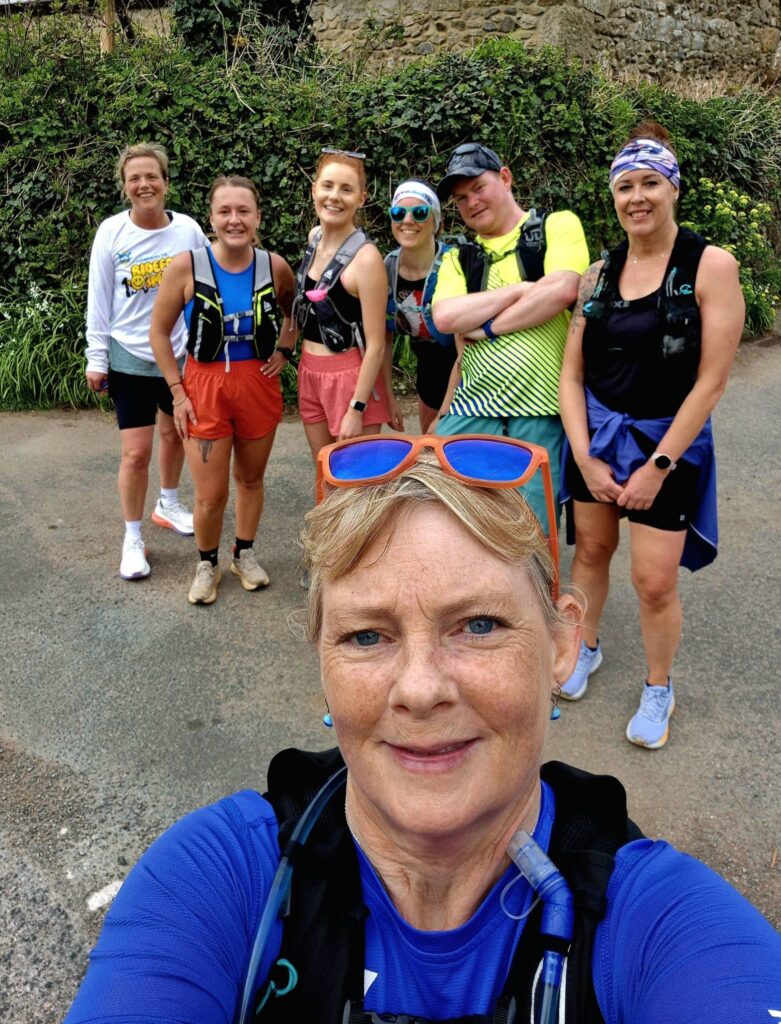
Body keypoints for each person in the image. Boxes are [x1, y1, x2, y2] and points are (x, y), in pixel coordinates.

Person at [63, 435, 780, 1024]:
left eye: (477, 625)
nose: (419, 690)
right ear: (321, 660)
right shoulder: (219, 879)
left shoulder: (661, 929)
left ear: (562, 644)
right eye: (367, 637)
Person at [557, 123, 745, 749]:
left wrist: (658, 465)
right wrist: (583, 456)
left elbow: (712, 381)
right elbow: (573, 371)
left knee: (655, 581)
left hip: (670, 442)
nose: (637, 197)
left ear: (673, 189)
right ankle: (585, 647)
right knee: (589, 551)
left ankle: (659, 685)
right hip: (600, 435)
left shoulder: (710, 266)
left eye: (650, 184)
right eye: (625, 186)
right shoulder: (599, 272)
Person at [150, 175, 296, 605]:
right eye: (225, 211)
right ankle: (206, 563)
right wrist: (177, 391)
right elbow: (158, 333)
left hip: (257, 383)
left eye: (243, 211)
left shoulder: (275, 266)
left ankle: (244, 555)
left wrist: (285, 350)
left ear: (257, 217)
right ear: (211, 217)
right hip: (204, 386)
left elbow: (293, 312)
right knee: (210, 495)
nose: (234, 220)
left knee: (250, 479)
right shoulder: (187, 266)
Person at [431, 142, 590, 533]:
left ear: (505, 177)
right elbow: (446, 316)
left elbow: (563, 290)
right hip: (468, 413)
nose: (471, 203)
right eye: (461, 198)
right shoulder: (457, 256)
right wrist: (519, 291)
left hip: (539, 413)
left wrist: (486, 326)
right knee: (453, 531)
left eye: (478, 188)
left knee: (531, 539)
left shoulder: (556, 226)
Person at [85, 142, 208, 581]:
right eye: (134, 178)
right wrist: (96, 357)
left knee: (174, 434)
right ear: (125, 187)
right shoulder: (111, 233)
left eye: (151, 176)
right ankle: (132, 537)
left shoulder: (189, 230)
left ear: (166, 182)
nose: (144, 184)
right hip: (129, 355)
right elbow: (98, 299)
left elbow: (205, 287)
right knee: (135, 454)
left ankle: (169, 503)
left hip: (179, 353)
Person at [294, 147, 392, 466]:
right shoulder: (315, 239)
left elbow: (377, 345)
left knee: (357, 483)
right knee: (325, 473)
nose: (334, 197)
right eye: (328, 186)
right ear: (314, 190)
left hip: (350, 378)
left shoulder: (366, 259)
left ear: (361, 198)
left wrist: (357, 408)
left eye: (346, 189)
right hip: (309, 372)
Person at [384, 179, 458, 433]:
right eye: (398, 212)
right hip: (427, 370)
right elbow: (384, 337)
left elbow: (467, 347)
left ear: (435, 221)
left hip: (465, 375)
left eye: (419, 212)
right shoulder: (388, 267)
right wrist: (389, 397)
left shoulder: (454, 263)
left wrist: (446, 411)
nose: (407, 220)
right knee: (429, 452)